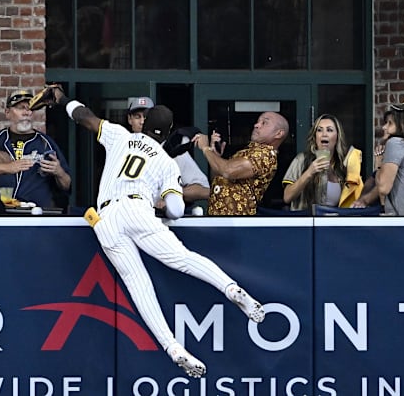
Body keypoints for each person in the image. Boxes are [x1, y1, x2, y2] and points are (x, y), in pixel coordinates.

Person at [43, 85, 266, 378]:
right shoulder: (165, 161)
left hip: (106, 217)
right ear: (169, 130)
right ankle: (232, 289)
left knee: (138, 286)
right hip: (139, 211)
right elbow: (175, 210)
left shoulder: (121, 136)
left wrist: (62, 100)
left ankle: (173, 348)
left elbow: (86, 117)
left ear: (144, 124)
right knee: (183, 259)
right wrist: (162, 200)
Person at [192, 111, 289, 215]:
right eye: (258, 122)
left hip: (236, 222)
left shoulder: (265, 155)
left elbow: (228, 171)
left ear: (278, 133)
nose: (256, 125)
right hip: (221, 219)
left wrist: (206, 148)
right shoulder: (248, 152)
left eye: (264, 123)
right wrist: (216, 157)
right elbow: (218, 179)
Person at [353, 97, 404, 209]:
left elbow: (383, 188)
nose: (384, 127)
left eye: (390, 123)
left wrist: (365, 201)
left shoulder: (398, 144)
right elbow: (375, 182)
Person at [0, 89, 72, 208]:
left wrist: (59, 172)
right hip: (0, 213)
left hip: (36, 215)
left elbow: (67, 185)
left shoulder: (46, 143)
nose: (26, 112)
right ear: (7, 112)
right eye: (20, 108)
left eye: (30, 108)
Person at [128, 96, 210, 205]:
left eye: (146, 117)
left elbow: (204, 190)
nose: (142, 121)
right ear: (130, 119)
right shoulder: (122, 148)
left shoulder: (172, 150)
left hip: (162, 218)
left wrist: (171, 195)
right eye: (137, 117)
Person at [282, 114, 363, 210]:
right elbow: (287, 197)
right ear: (315, 136)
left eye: (329, 130)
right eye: (319, 130)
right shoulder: (302, 159)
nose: (324, 134)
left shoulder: (342, 166)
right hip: (306, 222)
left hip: (332, 223)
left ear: (337, 136)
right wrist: (309, 172)